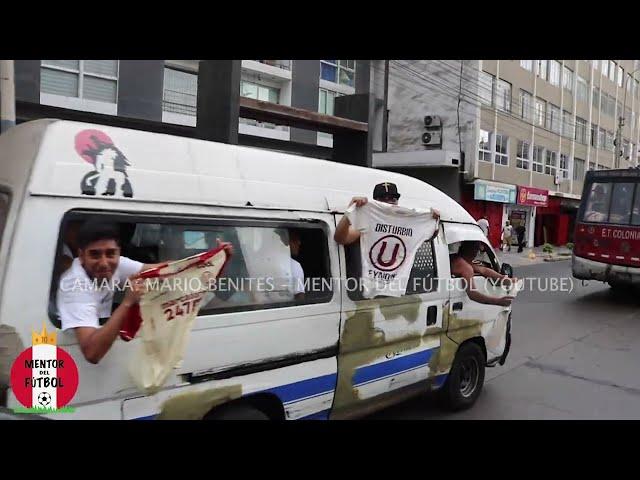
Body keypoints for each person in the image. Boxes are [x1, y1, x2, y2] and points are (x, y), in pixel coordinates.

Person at [56, 220, 232, 364]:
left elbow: (166, 272)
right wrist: (127, 302)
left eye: (111, 253)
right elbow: (92, 353)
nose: (104, 263)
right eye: (95, 255)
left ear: (118, 252)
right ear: (81, 255)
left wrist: (214, 260)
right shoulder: (74, 285)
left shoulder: (117, 263)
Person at [334, 182, 440, 246]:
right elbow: (340, 238)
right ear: (374, 202)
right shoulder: (368, 222)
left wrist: (433, 221)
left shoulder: (404, 222)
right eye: (382, 199)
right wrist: (350, 211)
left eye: (392, 199)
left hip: (398, 281)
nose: (388, 203)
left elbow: (427, 237)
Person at [450, 241, 516, 307]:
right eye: (477, 250)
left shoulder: (453, 258)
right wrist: (499, 301)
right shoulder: (466, 267)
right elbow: (473, 294)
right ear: (474, 251)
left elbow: (484, 270)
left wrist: (504, 279)